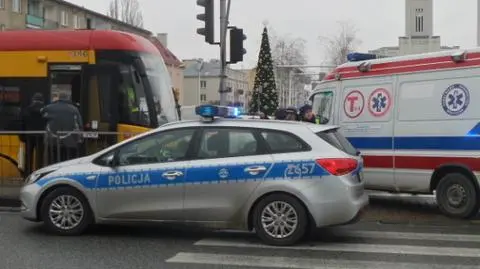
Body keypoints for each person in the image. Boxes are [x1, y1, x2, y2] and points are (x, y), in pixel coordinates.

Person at [42, 92, 83, 164]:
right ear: (68, 98)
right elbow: (80, 123)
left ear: (58, 98)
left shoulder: (49, 107)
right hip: (70, 140)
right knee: (68, 160)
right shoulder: (74, 109)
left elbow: (42, 116)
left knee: (54, 159)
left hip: (53, 140)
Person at [20, 93, 46, 176]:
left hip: (29, 136)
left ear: (33, 100)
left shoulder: (26, 109)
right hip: (41, 136)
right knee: (40, 156)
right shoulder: (45, 110)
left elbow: (22, 123)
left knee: (28, 155)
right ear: (42, 100)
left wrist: (22, 136)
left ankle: (27, 174)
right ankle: (39, 174)